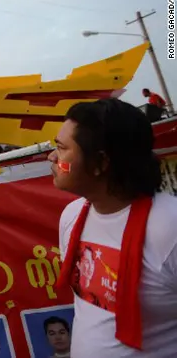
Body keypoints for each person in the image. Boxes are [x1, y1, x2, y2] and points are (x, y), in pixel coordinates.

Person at [52, 98, 177, 355]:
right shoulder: (72, 217)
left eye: (62, 149)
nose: (52, 157)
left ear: (101, 163)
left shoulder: (169, 228)